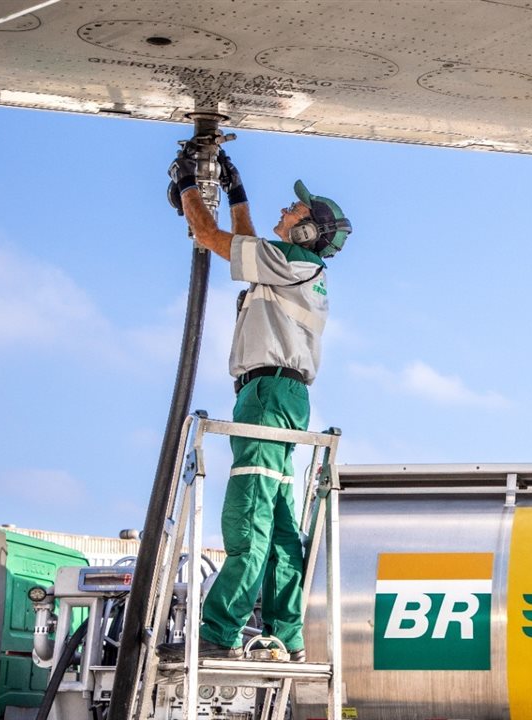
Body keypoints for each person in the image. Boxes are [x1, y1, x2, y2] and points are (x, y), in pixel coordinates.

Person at [158, 142, 352, 661]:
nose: (285, 212)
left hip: (264, 394)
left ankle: (219, 633)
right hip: (288, 397)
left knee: (249, 512)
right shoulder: (295, 267)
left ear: (308, 232)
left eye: (296, 211)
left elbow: (210, 236)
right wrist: (234, 186)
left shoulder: (294, 260)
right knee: (283, 523)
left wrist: (187, 187)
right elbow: (244, 242)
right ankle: (286, 637)